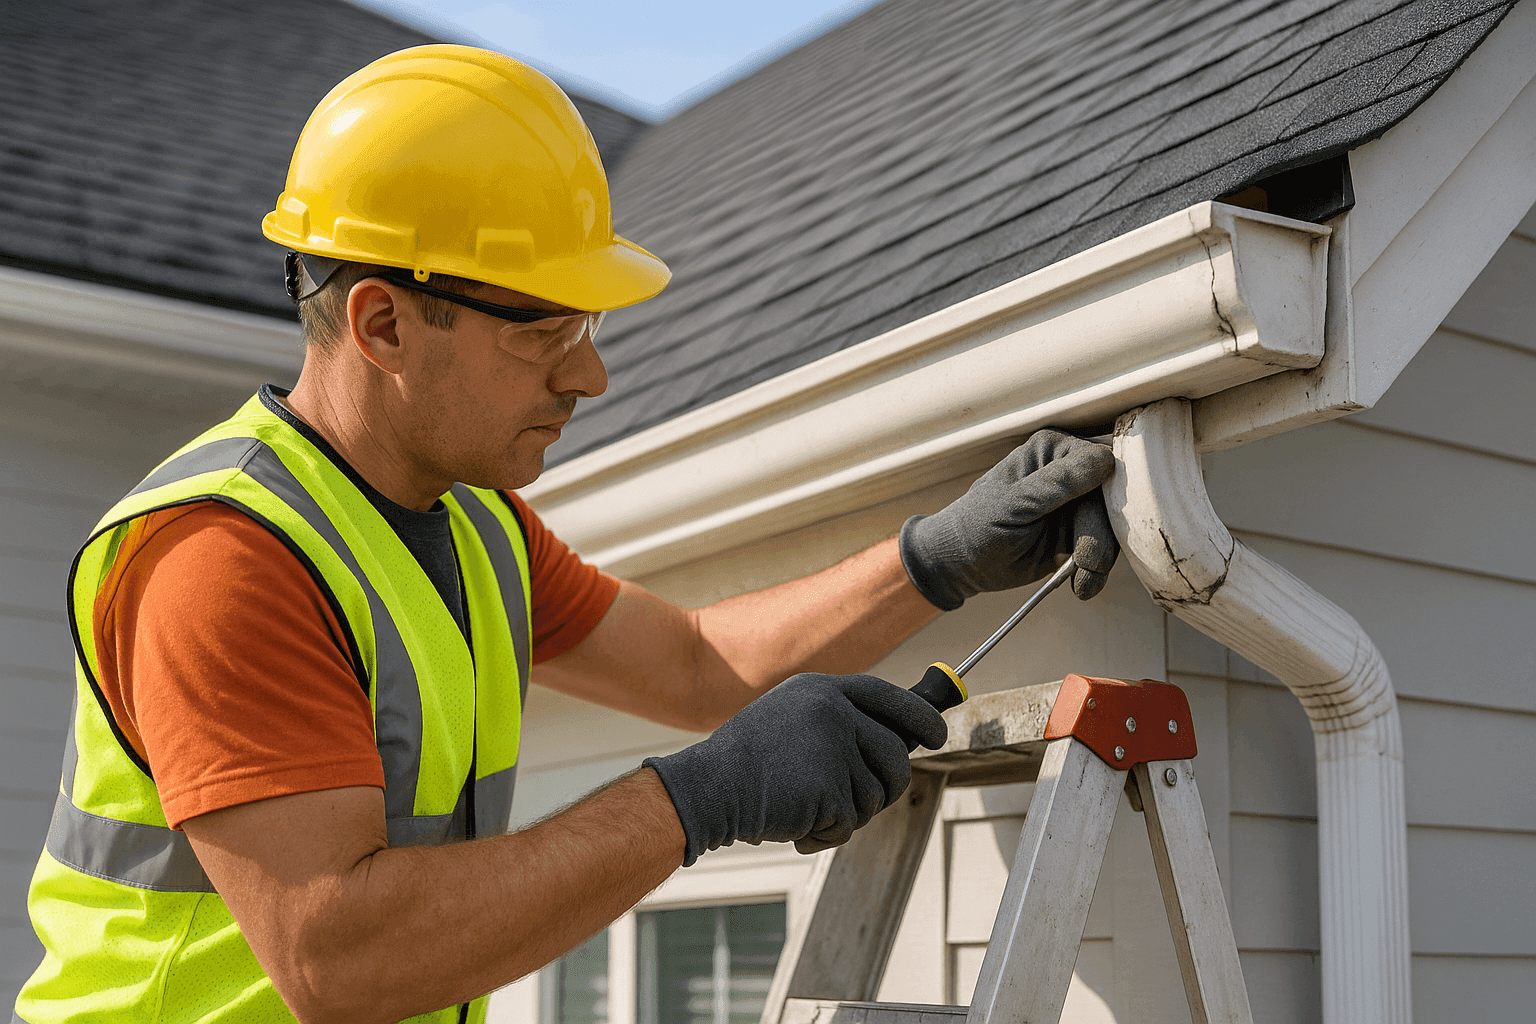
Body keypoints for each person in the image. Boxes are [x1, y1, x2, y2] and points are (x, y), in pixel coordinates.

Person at [14, 45, 1118, 1024]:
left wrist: (939, 557)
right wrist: (697, 799)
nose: (588, 374)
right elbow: (338, 958)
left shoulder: (477, 527)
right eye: (543, 330)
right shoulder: (223, 560)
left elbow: (696, 667)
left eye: (585, 326)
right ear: (383, 322)